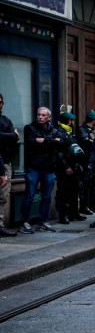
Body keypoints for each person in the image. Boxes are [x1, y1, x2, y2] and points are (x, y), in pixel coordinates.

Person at [20, 107, 65, 233]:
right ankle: (24, 222)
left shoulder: (54, 130)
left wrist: (45, 140)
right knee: (29, 195)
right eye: (38, 114)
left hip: (48, 168)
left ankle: (42, 222)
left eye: (43, 115)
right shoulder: (29, 128)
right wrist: (51, 143)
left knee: (46, 197)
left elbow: (61, 144)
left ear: (49, 117)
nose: (40, 117)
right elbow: (32, 143)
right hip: (33, 167)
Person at [54, 112, 85, 224]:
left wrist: (78, 165)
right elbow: (59, 152)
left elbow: (74, 150)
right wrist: (66, 166)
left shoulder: (69, 132)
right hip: (64, 168)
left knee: (74, 190)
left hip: (73, 166)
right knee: (64, 192)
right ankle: (63, 215)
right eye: (71, 121)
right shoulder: (60, 133)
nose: (72, 123)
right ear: (68, 121)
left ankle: (74, 213)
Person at [0, 94, 19, 236]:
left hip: (5, 162)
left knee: (3, 196)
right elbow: (13, 136)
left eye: (0, 102)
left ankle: (0, 225)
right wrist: (11, 135)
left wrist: (12, 136)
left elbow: (15, 139)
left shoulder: (6, 120)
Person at [76, 111, 95, 216]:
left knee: (92, 185)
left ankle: (92, 205)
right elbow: (88, 141)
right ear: (94, 120)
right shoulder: (82, 130)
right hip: (84, 161)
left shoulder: (93, 130)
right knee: (84, 185)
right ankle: (84, 207)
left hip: (93, 161)